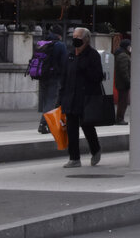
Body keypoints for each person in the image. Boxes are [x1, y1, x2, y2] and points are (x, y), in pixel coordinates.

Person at [58, 27, 105, 168]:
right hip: (70, 97)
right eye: (74, 36)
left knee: (87, 126)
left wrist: (84, 67)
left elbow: (98, 77)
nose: (75, 39)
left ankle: (95, 149)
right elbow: (64, 77)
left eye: (78, 37)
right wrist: (60, 99)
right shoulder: (70, 55)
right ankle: (74, 158)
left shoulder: (93, 55)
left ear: (86, 39)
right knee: (71, 129)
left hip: (86, 98)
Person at [37, 26, 67, 134]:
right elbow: (64, 63)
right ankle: (44, 124)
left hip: (42, 75)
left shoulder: (42, 43)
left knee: (46, 101)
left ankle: (46, 123)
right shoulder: (60, 45)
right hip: (54, 77)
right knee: (51, 101)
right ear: (59, 35)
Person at [113, 35, 131, 124]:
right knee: (123, 102)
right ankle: (120, 119)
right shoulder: (123, 56)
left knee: (122, 101)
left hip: (121, 83)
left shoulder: (121, 54)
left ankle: (119, 118)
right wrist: (128, 82)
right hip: (123, 83)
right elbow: (124, 71)